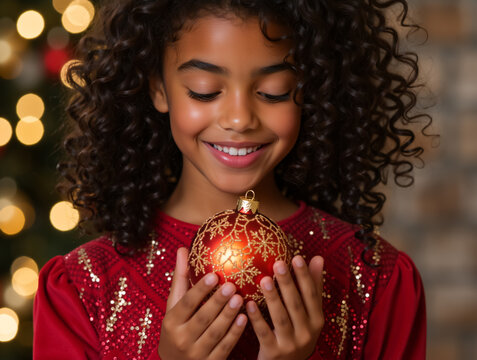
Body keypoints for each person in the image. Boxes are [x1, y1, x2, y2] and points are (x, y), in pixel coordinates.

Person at [33, 0, 431, 359]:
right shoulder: (83, 289)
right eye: (204, 91)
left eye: (274, 92)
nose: (240, 119)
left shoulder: (377, 282)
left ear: (309, 89)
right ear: (158, 87)